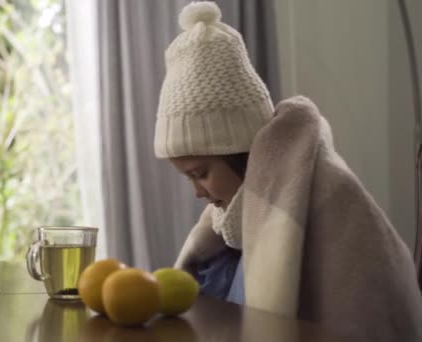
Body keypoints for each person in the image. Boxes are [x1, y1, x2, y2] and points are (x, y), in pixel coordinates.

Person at [154, 2, 422, 341]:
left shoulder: (332, 199)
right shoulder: (228, 230)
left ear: (237, 152)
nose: (197, 192)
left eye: (201, 173)